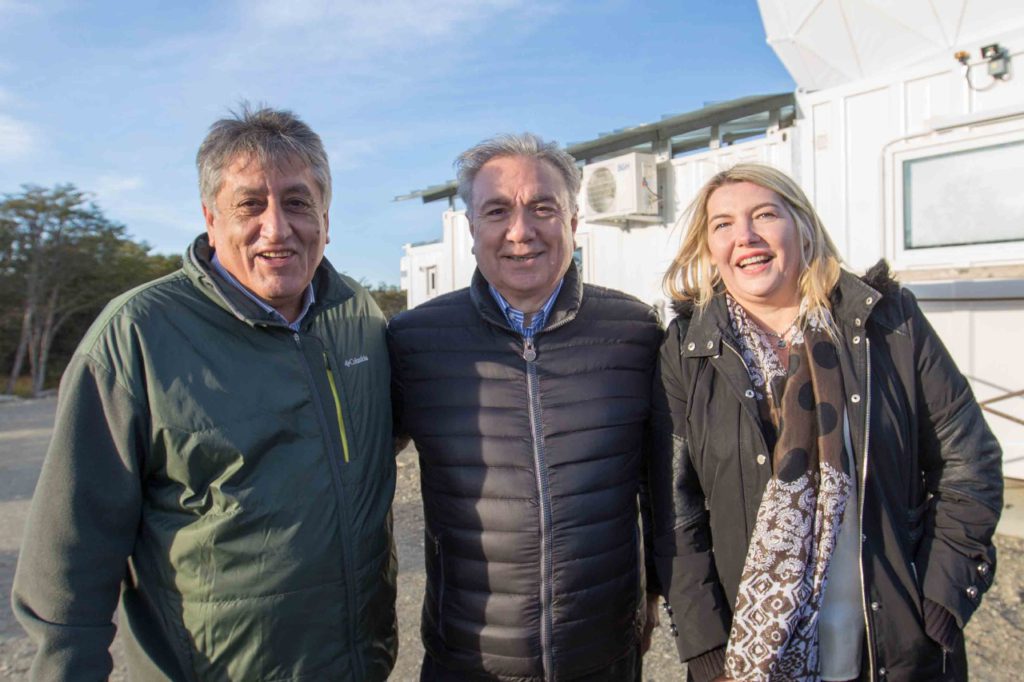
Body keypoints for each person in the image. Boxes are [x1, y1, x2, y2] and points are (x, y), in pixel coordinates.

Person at [12, 105, 397, 681]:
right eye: (250, 204)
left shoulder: (357, 317)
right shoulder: (137, 335)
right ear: (210, 218)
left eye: (297, 202)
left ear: (325, 216)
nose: (277, 227)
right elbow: (71, 549)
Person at [649, 163, 1003, 682]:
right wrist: (705, 642)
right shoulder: (687, 351)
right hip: (750, 657)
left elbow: (968, 461)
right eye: (722, 224)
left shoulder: (887, 322)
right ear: (709, 247)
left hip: (895, 648)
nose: (744, 236)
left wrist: (943, 598)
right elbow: (674, 509)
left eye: (764, 215)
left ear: (803, 226)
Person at [388, 133, 663, 681]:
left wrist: (652, 589)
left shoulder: (634, 332)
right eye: (497, 211)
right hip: (469, 661)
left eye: (544, 208)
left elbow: (662, 483)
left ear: (574, 221)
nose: (521, 231)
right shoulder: (413, 342)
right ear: (471, 229)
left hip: (603, 656)